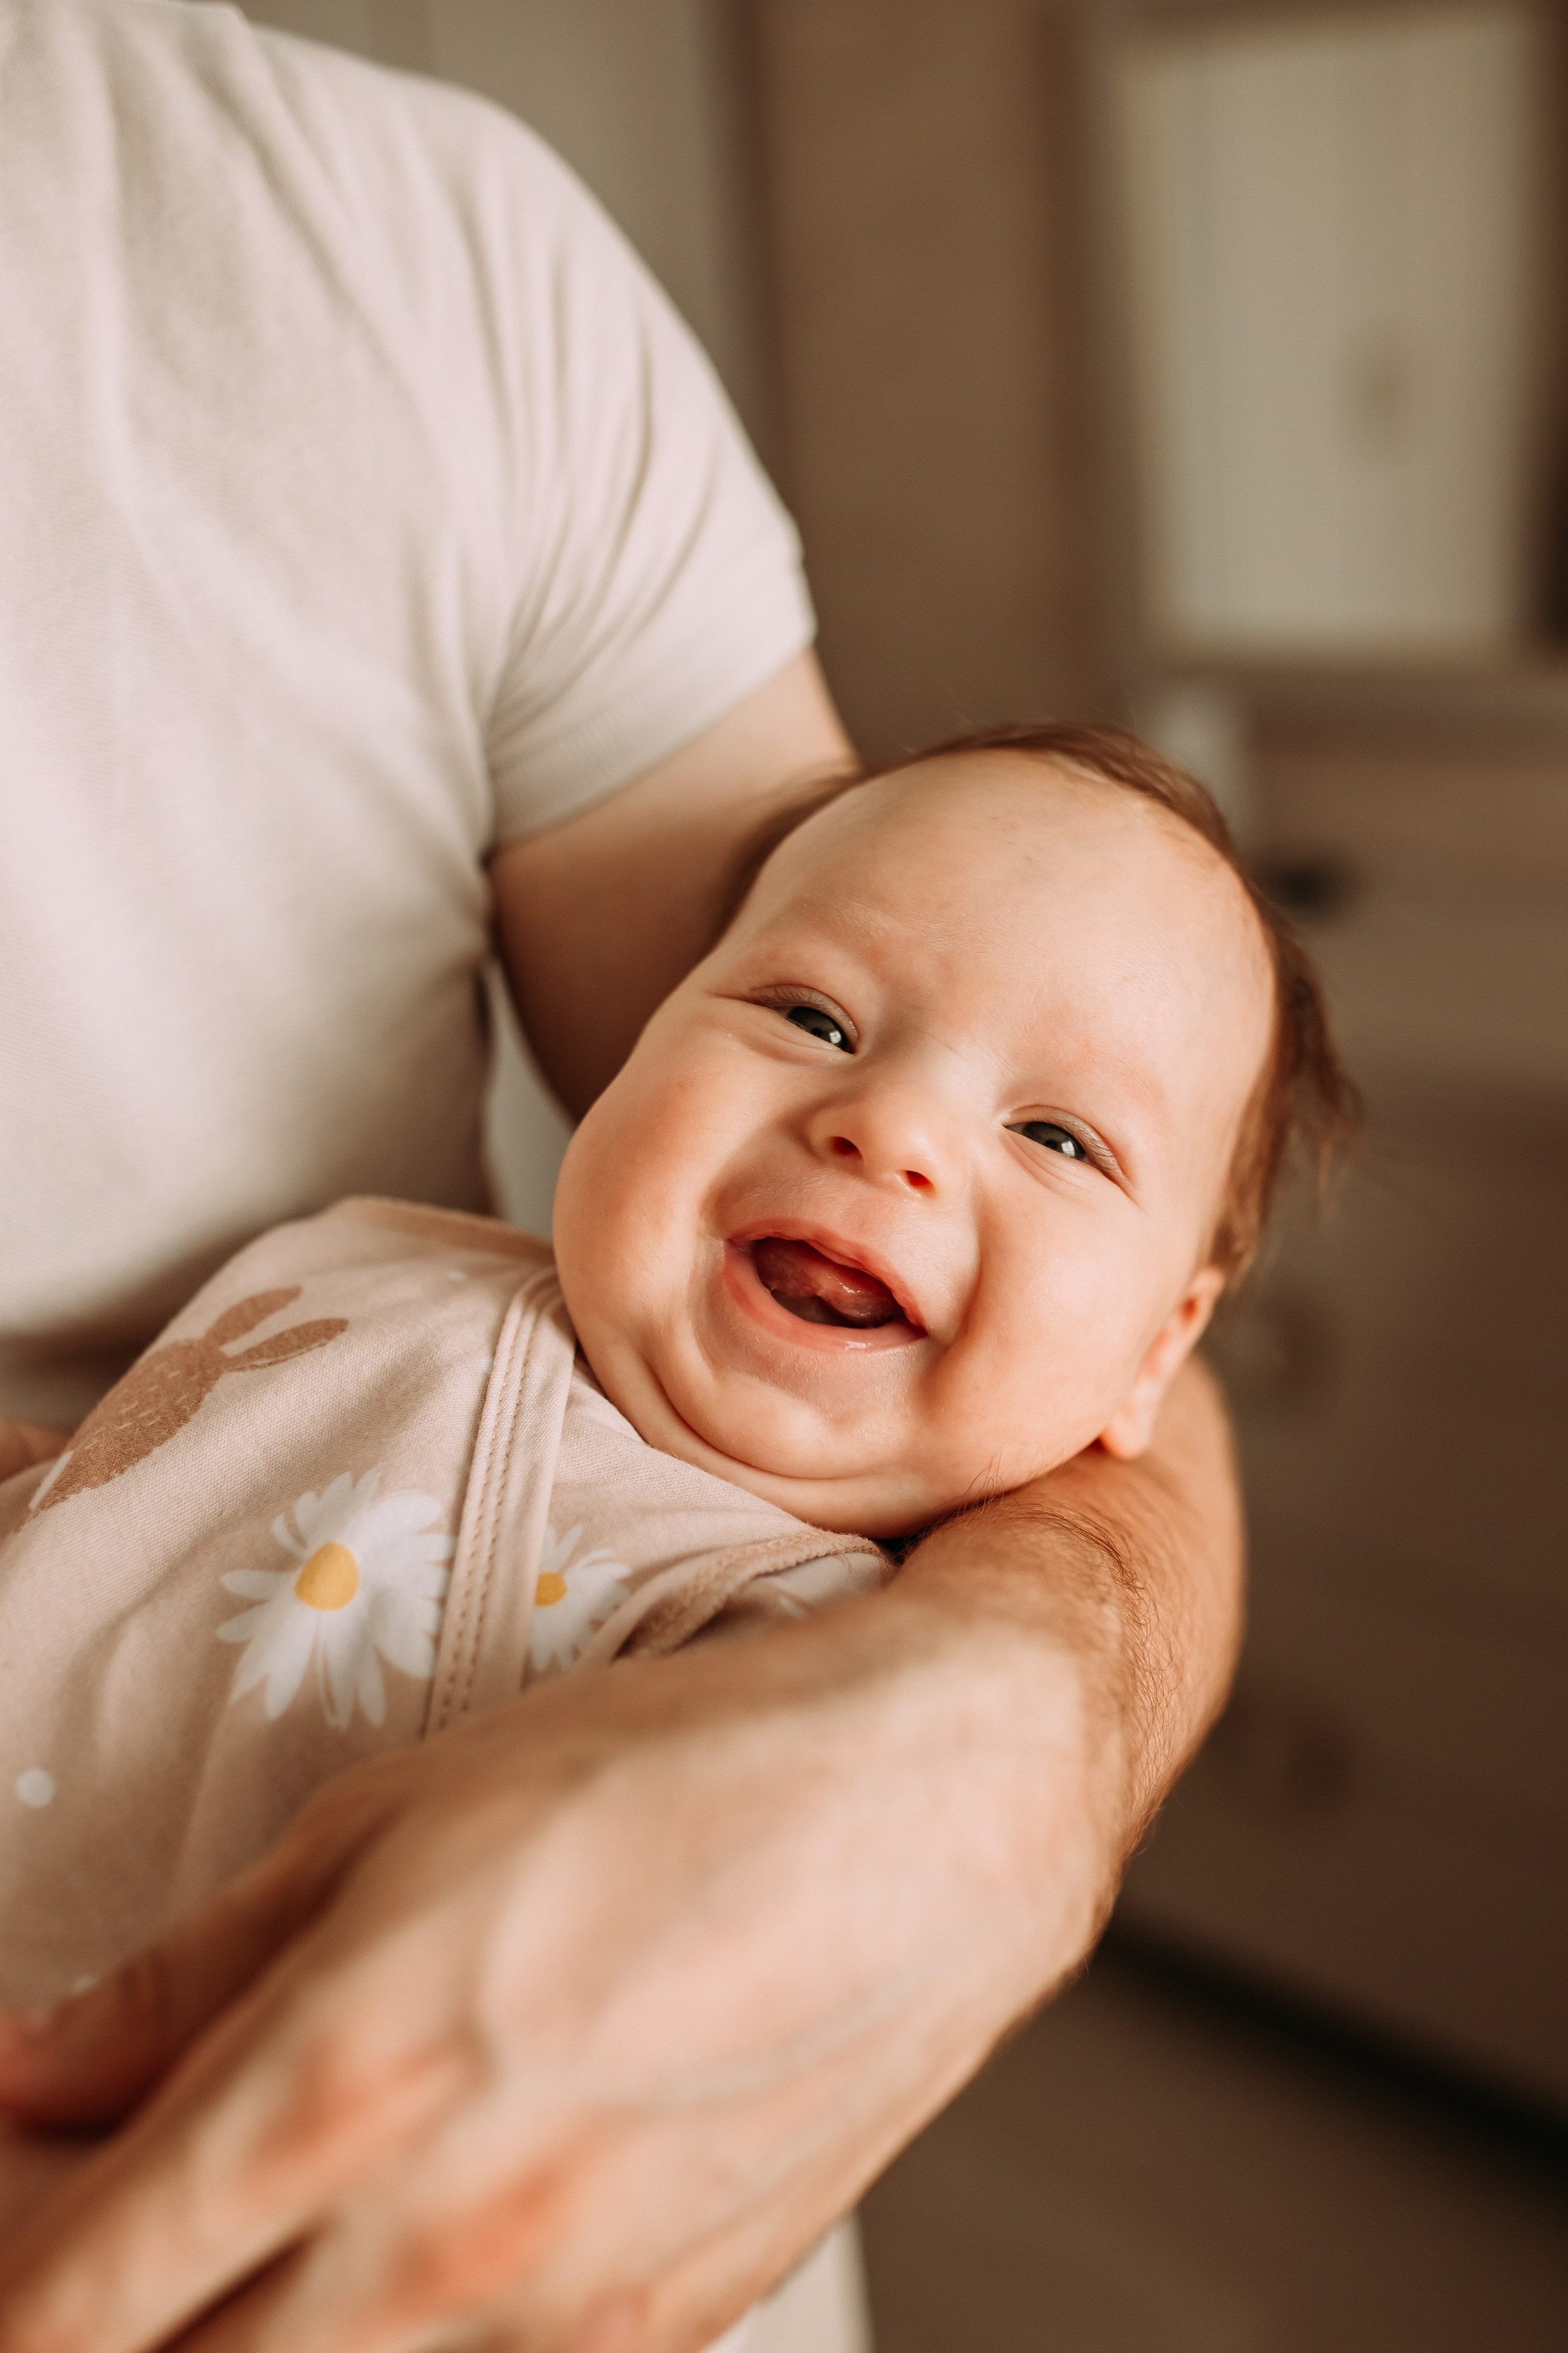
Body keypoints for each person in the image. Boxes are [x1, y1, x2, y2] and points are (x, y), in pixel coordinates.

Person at [0, 3, 1253, 2346]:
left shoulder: (808, 1621)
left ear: (1159, 1340)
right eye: (805, 1015)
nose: (885, 1122)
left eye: (1059, 1136)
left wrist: (1014, 1738)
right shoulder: (332, 1260)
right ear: (637, 1031)